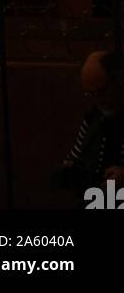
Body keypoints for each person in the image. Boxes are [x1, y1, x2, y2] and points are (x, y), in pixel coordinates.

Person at [53, 50, 124, 204]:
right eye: (91, 94)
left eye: (101, 92)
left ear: (119, 80)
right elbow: (75, 157)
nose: (98, 100)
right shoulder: (94, 117)